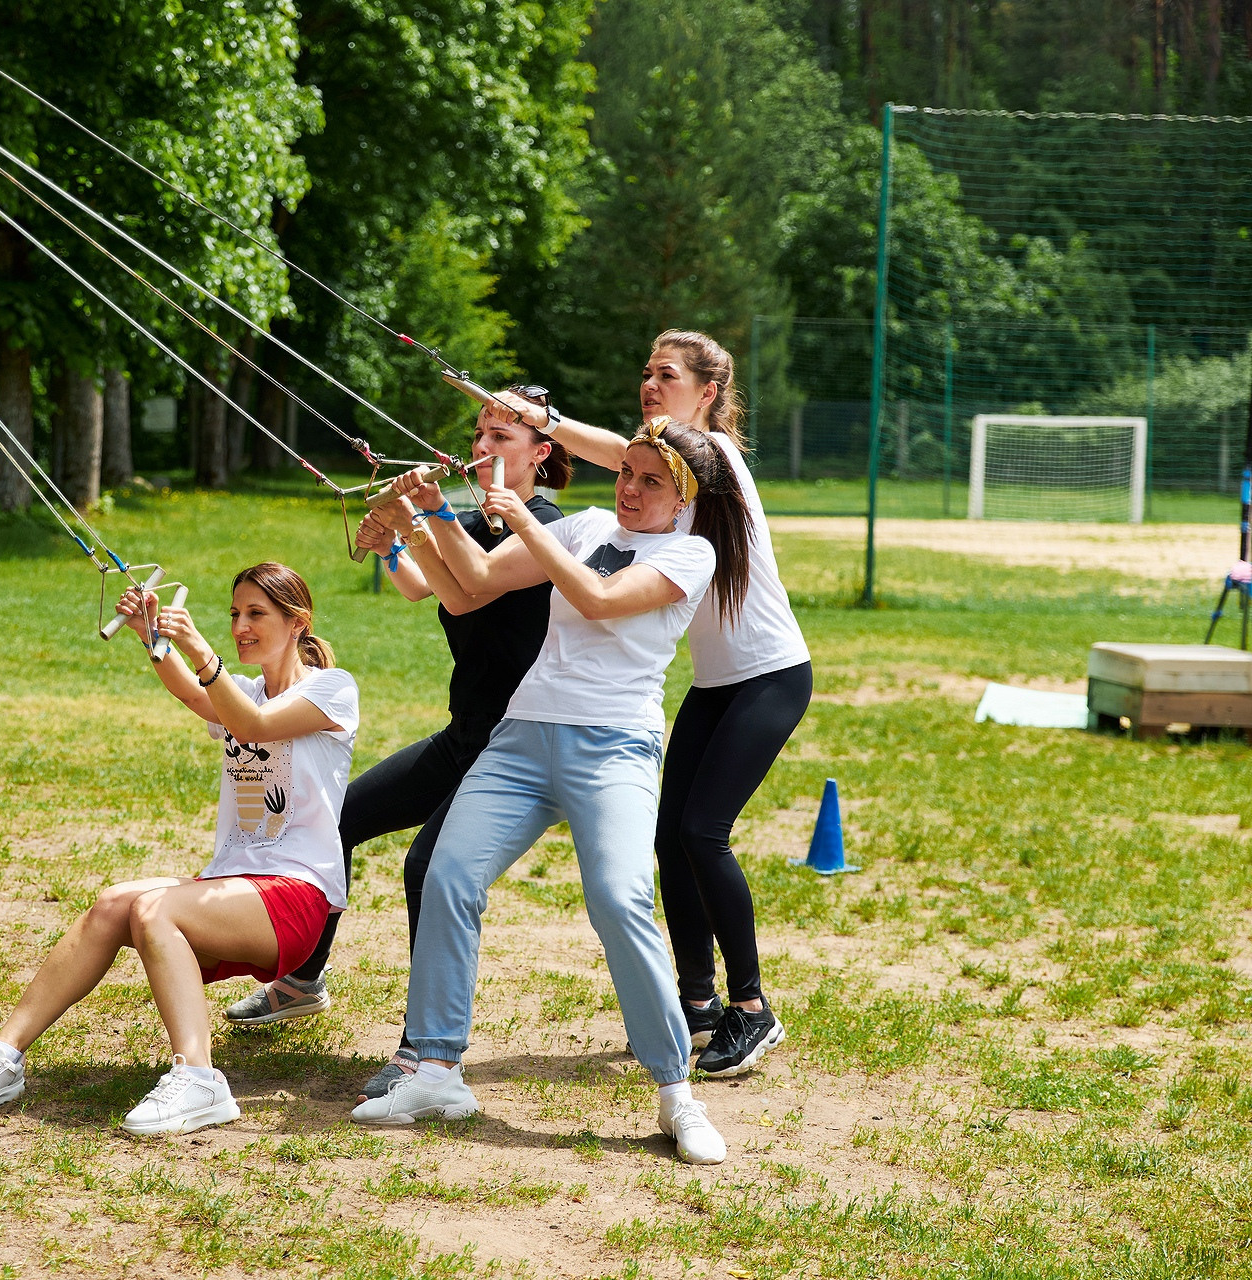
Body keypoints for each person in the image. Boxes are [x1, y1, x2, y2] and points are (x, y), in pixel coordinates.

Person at [351, 418, 750, 1166]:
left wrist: (524, 520)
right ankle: (435, 1071)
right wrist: (430, 514)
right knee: (448, 874)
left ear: (684, 498)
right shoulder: (588, 524)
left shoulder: (690, 553)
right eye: (626, 472)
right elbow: (470, 586)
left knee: (619, 898)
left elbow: (597, 597)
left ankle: (676, 1093)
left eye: (651, 481)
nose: (630, 489)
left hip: (614, 746)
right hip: (523, 736)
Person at [221, 392, 574, 1104]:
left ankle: (423, 1050)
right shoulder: (470, 522)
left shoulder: (551, 529)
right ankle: (302, 980)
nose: (483, 445)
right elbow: (423, 587)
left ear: (540, 452)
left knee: (428, 866)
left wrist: (421, 517)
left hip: (516, 745)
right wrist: (390, 542)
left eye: (501, 436)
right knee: (342, 818)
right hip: (465, 733)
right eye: (478, 432)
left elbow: (472, 591)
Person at [0, 563, 358, 1136]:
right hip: (233, 886)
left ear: (297, 623)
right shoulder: (246, 691)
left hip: (296, 896)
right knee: (113, 903)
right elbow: (193, 693)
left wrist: (200, 650)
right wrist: (152, 635)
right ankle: (4, 1056)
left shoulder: (333, 690)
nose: (240, 626)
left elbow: (254, 726)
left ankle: (200, 1079)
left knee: (154, 909)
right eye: (235, 613)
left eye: (256, 614)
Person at [511, 331, 811, 1076]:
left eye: (667, 375)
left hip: (771, 676)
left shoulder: (718, 461)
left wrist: (543, 421)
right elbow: (626, 456)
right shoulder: (660, 473)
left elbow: (619, 450)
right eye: (645, 371)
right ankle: (697, 1005)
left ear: (708, 393)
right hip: (714, 685)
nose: (649, 384)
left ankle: (753, 1008)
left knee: (703, 832)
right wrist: (538, 421)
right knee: (670, 837)